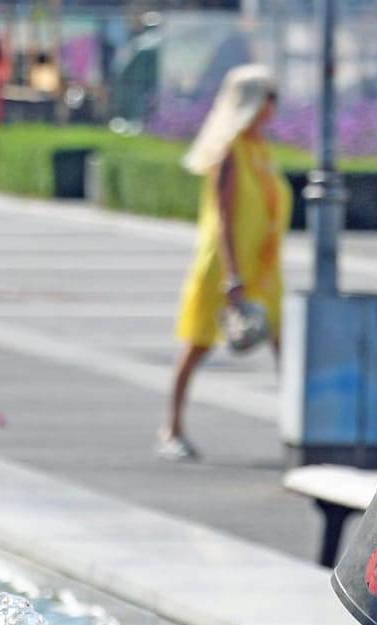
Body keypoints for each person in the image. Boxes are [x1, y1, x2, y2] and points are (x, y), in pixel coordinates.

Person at [158, 64, 291, 461]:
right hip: (228, 266)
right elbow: (224, 219)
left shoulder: (260, 149)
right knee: (198, 344)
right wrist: (232, 276)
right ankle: (172, 427)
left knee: (286, 346)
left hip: (264, 268)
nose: (274, 107)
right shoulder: (229, 152)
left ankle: (296, 432)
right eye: (269, 98)